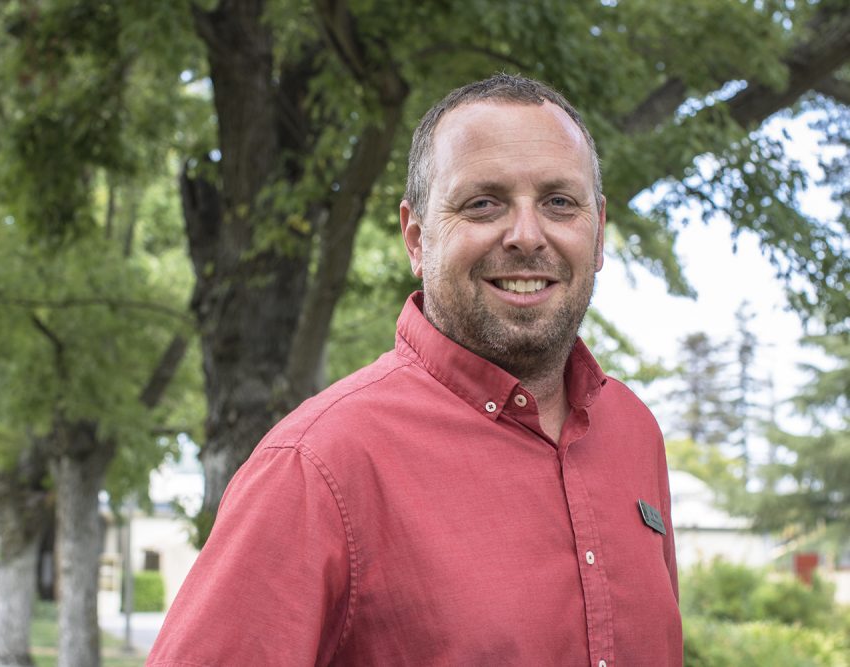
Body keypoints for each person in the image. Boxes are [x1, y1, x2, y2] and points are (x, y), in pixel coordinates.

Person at [148, 74, 683, 666]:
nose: (528, 236)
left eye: (560, 202)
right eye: (483, 203)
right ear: (415, 238)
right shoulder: (316, 466)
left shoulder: (634, 434)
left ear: (598, 231)